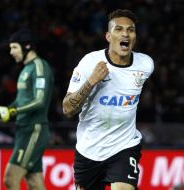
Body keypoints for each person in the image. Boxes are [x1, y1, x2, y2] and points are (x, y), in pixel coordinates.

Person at [63, 9, 154, 190]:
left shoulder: (145, 65)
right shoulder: (90, 63)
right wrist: (91, 81)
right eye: (119, 29)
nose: (125, 34)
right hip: (89, 150)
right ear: (108, 36)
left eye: (131, 29)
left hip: (125, 146)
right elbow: (67, 109)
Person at [0, 28, 54, 190]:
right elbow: (20, 101)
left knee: (10, 178)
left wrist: (12, 112)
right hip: (24, 130)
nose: (11, 52)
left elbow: (39, 100)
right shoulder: (26, 69)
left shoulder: (40, 66)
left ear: (27, 47)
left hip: (34, 129)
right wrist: (0, 114)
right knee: (34, 181)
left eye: (14, 47)